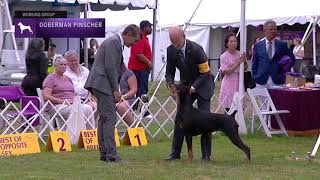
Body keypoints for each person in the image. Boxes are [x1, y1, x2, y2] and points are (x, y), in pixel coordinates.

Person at [85, 24, 141, 163]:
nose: (134, 44)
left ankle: (104, 154)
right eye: (134, 40)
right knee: (110, 119)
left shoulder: (116, 43)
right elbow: (110, 67)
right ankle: (112, 155)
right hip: (103, 84)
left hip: (100, 83)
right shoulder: (114, 42)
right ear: (128, 34)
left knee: (104, 119)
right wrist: (116, 89)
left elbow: (119, 66)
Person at [165, 26, 214, 161]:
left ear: (183, 36)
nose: (175, 45)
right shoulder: (171, 50)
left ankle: (206, 155)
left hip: (203, 85)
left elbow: (205, 73)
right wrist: (171, 85)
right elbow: (169, 72)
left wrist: (194, 87)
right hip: (186, 86)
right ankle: (175, 153)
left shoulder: (197, 49)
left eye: (177, 42)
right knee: (179, 119)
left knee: (205, 119)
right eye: (172, 42)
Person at [42, 56, 95, 143]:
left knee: (87, 108)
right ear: (55, 66)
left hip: (71, 104)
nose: (63, 66)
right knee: (77, 110)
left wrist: (74, 101)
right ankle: (73, 138)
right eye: (61, 65)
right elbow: (46, 96)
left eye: (65, 65)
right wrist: (61, 101)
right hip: (56, 106)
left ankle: (89, 136)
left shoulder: (68, 79)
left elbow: (72, 93)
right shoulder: (50, 78)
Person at [252, 20, 295, 88]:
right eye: (271, 29)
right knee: (262, 98)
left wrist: (285, 70)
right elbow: (254, 62)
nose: (273, 31)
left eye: (275, 29)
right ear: (265, 31)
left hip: (277, 80)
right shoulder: (258, 45)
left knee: (278, 98)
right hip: (261, 80)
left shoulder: (282, 45)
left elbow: (292, 58)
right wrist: (255, 76)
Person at [128, 20, 153, 118]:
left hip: (142, 69)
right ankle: (144, 112)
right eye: (149, 26)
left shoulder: (144, 38)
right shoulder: (140, 38)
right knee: (142, 90)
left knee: (141, 90)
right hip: (138, 69)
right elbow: (138, 54)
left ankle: (137, 109)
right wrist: (148, 62)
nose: (151, 28)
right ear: (145, 27)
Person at [219, 33, 247, 112]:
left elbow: (245, 68)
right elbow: (226, 72)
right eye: (231, 41)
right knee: (229, 109)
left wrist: (244, 61)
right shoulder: (223, 56)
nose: (233, 43)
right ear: (227, 44)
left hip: (239, 82)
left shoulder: (240, 54)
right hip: (229, 83)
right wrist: (237, 63)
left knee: (240, 108)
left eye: (235, 41)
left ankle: (240, 124)